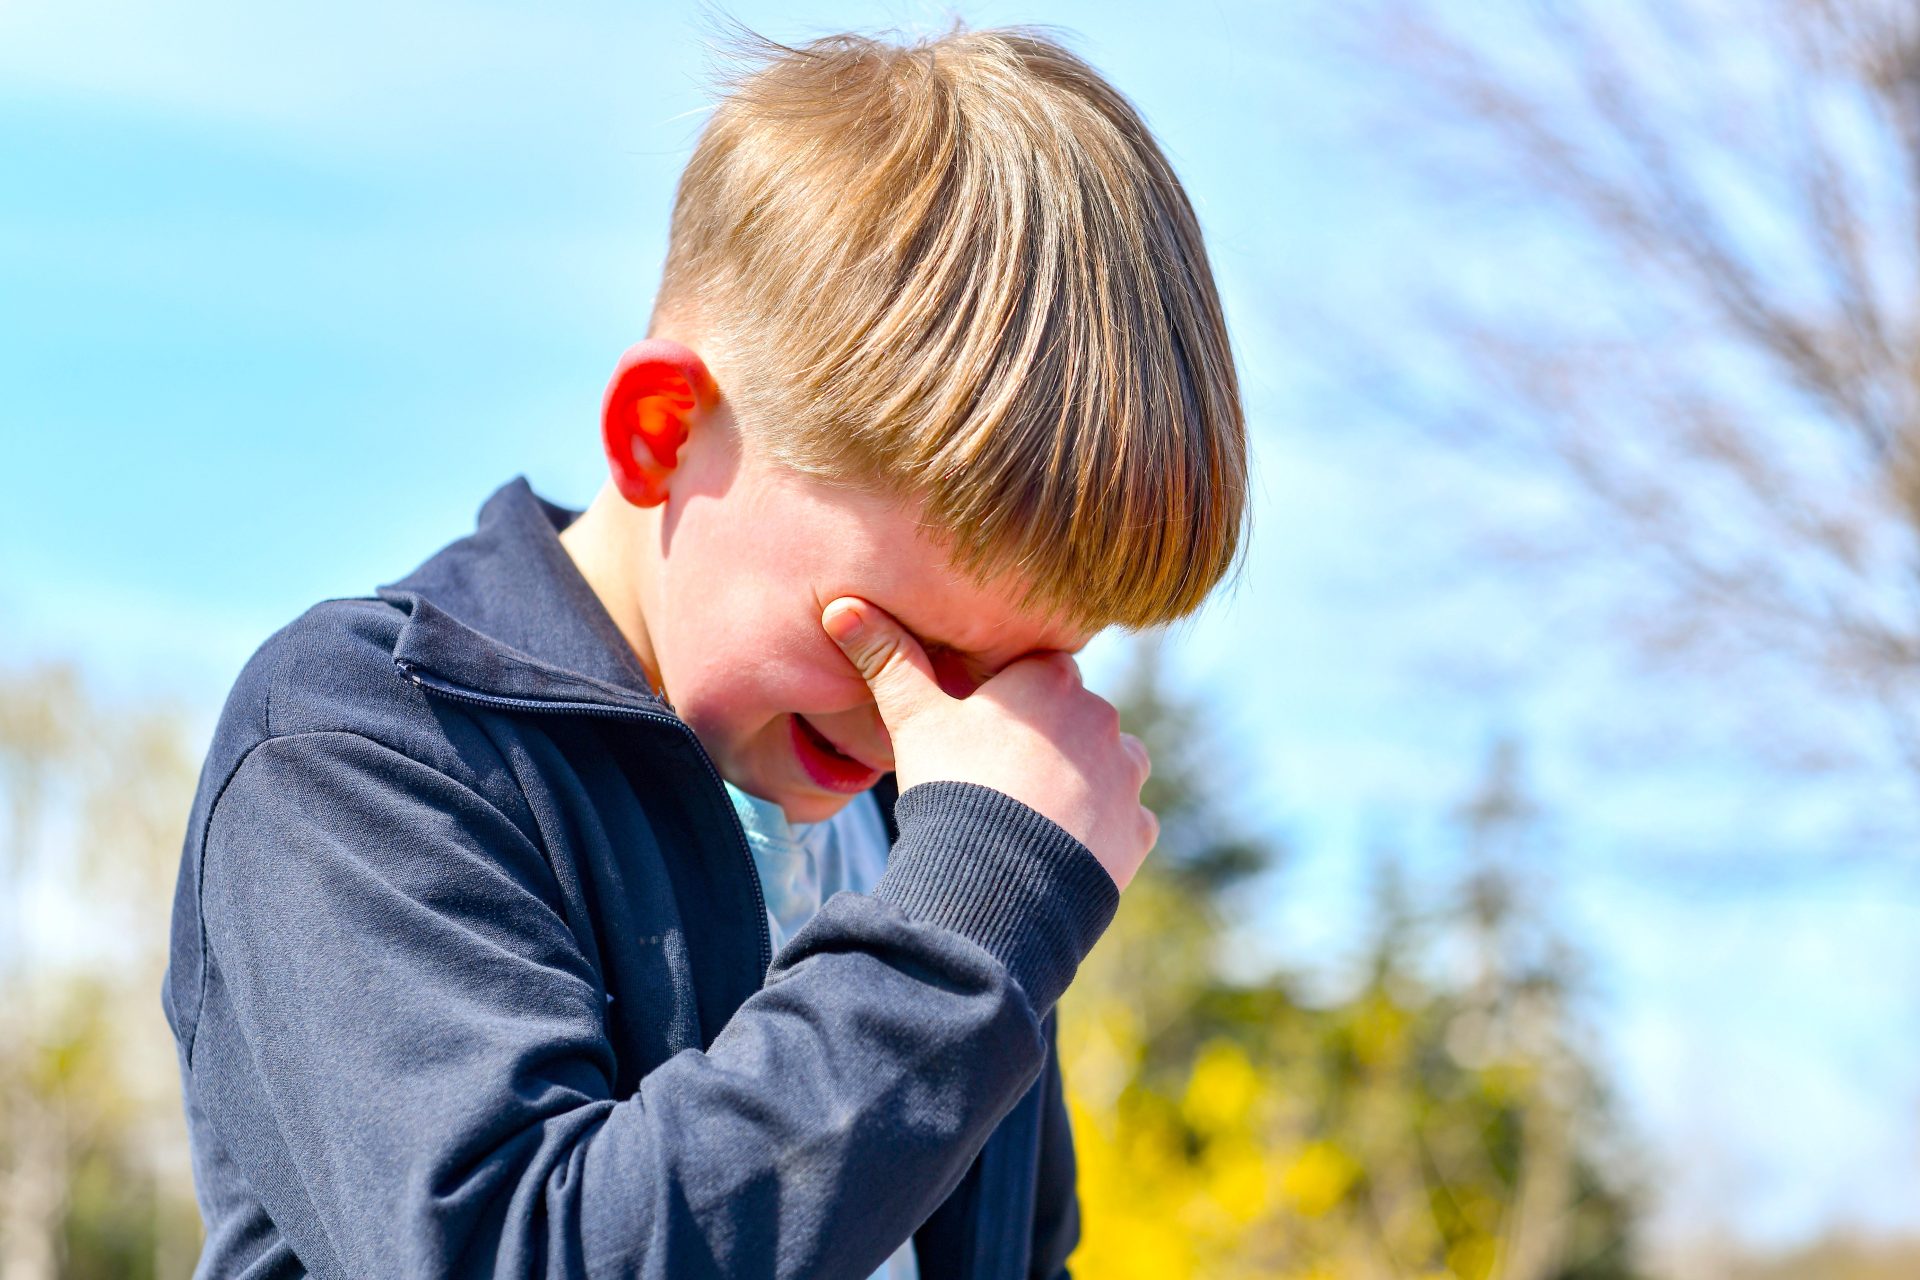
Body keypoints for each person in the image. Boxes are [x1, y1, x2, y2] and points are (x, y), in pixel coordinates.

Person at [161, 20, 1248, 1279]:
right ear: (663, 430)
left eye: (1010, 676)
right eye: (892, 642)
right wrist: (973, 926)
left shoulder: (930, 828)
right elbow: (516, 1249)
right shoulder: (363, 747)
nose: (939, 724)